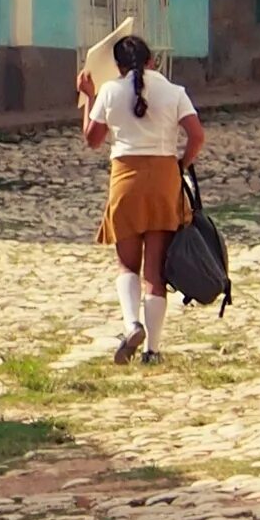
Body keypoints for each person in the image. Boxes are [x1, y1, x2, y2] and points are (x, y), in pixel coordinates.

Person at [76, 34, 204, 365]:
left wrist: (89, 97)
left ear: (117, 66)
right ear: (152, 61)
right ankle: (153, 351)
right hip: (164, 179)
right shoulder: (174, 92)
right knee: (155, 272)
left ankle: (132, 324)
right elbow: (197, 135)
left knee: (126, 264)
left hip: (126, 178)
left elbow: (92, 139)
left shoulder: (110, 91)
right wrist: (181, 164)